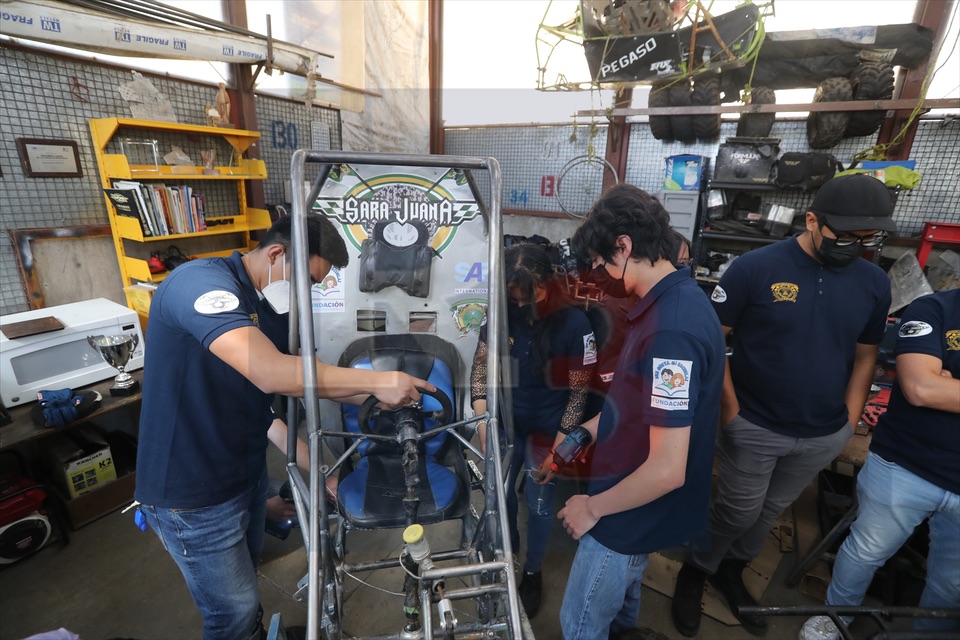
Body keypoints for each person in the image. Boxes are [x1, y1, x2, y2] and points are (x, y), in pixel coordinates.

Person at [134, 213, 432, 640]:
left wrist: (386, 396)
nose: (307, 292)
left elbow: (308, 380)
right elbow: (273, 373)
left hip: (244, 474)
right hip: (190, 492)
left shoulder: (273, 308)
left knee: (245, 584)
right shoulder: (198, 285)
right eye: (307, 279)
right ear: (276, 253)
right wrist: (379, 380)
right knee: (231, 612)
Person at [671, 173, 898, 637]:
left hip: (823, 431)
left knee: (770, 511)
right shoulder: (755, 269)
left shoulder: (874, 283)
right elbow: (715, 340)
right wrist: (730, 411)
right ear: (813, 220)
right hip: (754, 422)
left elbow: (866, 354)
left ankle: (732, 572)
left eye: (867, 237)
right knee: (738, 510)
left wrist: (849, 421)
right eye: (845, 235)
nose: (856, 245)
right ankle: (697, 570)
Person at [547, 184, 726, 639]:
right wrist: (583, 432)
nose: (599, 273)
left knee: (580, 623)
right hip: (630, 501)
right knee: (621, 606)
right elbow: (634, 403)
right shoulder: (672, 302)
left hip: (623, 515)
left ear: (624, 245)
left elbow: (667, 469)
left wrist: (592, 507)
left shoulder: (673, 331)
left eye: (602, 261)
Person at [799, 288, 960, 640]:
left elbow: (937, 387)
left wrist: (949, 382)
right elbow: (921, 388)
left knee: (952, 583)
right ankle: (835, 619)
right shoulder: (935, 308)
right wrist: (936, 384)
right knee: (865, 552)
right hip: (904, 466)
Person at [470, 242, 596, 618]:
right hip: (506, 420)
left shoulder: (575, 324)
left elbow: (579, 391)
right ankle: (507, 552)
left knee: (540, 506)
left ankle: (534, 571)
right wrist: (481, 418)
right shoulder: (501, 313)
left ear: (550, 282)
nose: (522, 303)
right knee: (502, 495)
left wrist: (561, 449)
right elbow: (480, 369)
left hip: (549, 428)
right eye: (514, 295)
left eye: (530, 295)